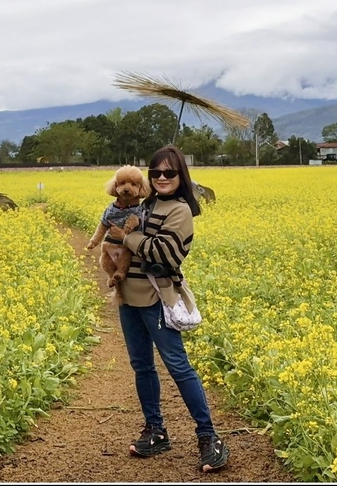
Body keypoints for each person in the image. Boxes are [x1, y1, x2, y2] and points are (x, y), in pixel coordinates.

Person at [105, 144, 229, 473]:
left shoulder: (180, 211)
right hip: (127, 295)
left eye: (169, 172)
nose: (162, 177)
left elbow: (165, 254)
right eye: (156, 172)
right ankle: (155, 430)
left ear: (180, 176)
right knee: (142, 366)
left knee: (178, 365)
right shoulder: (145, 205)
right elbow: (118, 235)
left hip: (157, 297)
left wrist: (126, 237)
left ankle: (208, 436)